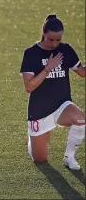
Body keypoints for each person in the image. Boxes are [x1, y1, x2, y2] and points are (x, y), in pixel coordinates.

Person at [20, 14, 85, 170]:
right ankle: (33, 141)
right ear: (44, 33)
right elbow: (29, 86)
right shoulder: (31, 53)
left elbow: (82, 72)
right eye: (51, 40)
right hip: (39, 110)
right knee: (40, 158)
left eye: (58, 39)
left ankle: (69, 158)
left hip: (62, 104)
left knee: (80, 119)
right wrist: (48, 68)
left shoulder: (66, 50)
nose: (55, 43)